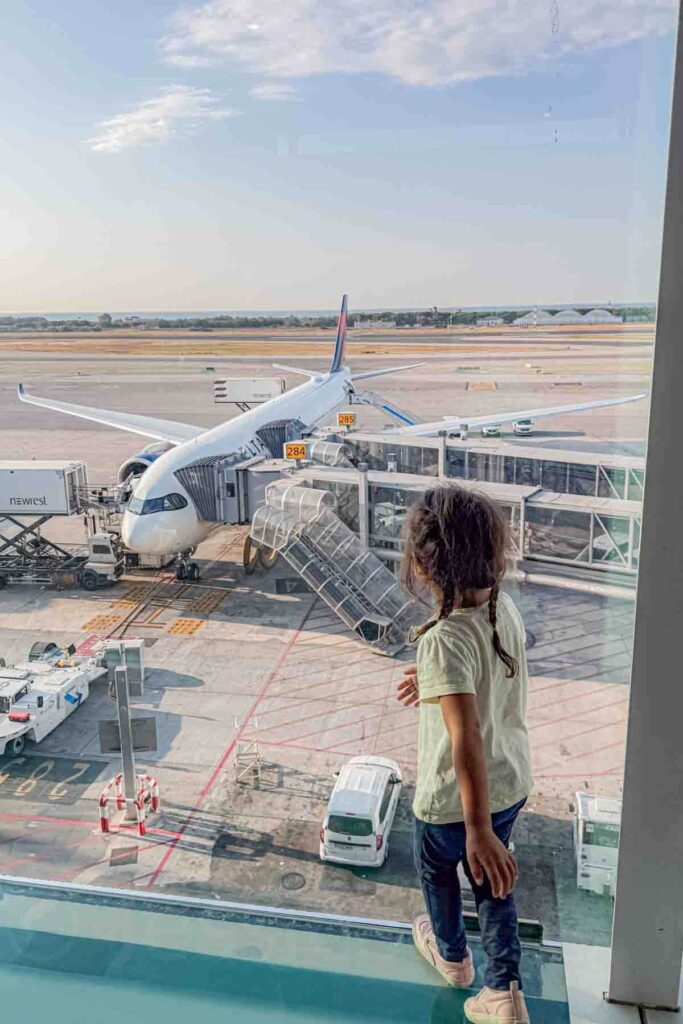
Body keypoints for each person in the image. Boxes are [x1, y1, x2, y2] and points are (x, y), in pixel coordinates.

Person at [397, 485, 532, 1024]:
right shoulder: (505, 612)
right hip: (509, 784)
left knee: (437, 870)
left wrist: (474, 827)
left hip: (455, 802)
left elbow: (464, 737)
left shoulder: (443, 638)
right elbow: (484, 681)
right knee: (493, 880)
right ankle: (505, 988)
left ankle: (453, 957)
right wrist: (433, 682)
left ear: (425, 568)